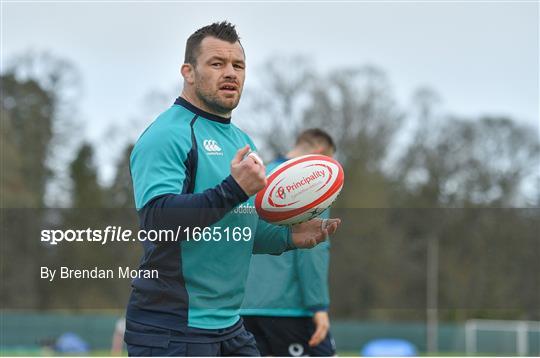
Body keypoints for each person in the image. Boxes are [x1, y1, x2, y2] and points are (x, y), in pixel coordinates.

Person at [125, 21, 341, 356]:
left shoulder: (242, 141)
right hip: (173, 327)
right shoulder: (167, 135)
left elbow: (237, 229)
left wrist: (288, 237)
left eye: (238, 65)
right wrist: (233, 189)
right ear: (189, 72)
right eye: (217, 63)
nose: (231, 73)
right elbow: (158, 221)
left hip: (228, 325)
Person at [241, 129, 337, 356]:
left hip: (241, 309)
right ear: (320, 153)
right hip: (290, 310)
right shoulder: (313, 181)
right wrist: (318, 306)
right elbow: (313, 248)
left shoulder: (254, 178)